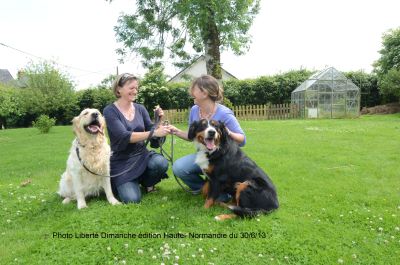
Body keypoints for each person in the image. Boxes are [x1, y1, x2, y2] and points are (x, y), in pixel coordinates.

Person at [168, 75, 246, 196]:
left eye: (194, 89)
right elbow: (191, 136)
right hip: (203, 155)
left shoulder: (224, 113)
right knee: (179, 168)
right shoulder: (195, 110)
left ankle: (223, 193)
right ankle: (206, 191)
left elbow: (242, 140)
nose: (191, 92)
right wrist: (176, 131)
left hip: (222, 158)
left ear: (204, 93)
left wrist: (228, 132)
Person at [103, 73, 170, 203]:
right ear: (119, 89)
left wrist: (158, 122)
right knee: (132, 199)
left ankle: (146, 183)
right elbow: (124, 136)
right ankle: (124, 182)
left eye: (136, 88)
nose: (135, 91)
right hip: (121, 160)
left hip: (142, 155)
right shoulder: (109, 111)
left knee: (160, 163)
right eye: (131, 88)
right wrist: (155, 133)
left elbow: (152, 133)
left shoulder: (140, 108)